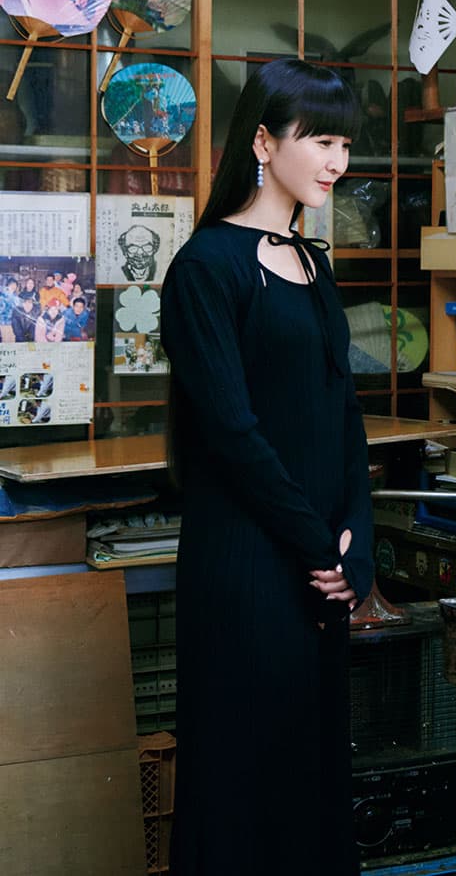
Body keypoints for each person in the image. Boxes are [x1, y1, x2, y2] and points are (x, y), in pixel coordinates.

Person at [159, 58, 373, 876]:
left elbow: (342, 412)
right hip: (247, 568)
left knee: (310, 775)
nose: (335, 161)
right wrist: (318, 546)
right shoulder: (205, 269)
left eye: (343, 143)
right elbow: (234, 436)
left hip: (317, 573)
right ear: (262, 141)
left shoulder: (314, 264)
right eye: (320, 139)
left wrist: (356, 547)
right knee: (243, 782)